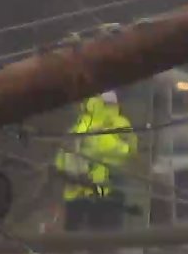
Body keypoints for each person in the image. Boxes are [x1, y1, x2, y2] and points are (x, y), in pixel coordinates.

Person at [54, 91, 138, 232]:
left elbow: (64, 156)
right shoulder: (116, 123)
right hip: (100, 186)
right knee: (102, 232)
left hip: (88, 186)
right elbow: (128, 150)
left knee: (85, 233)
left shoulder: (82, 123)